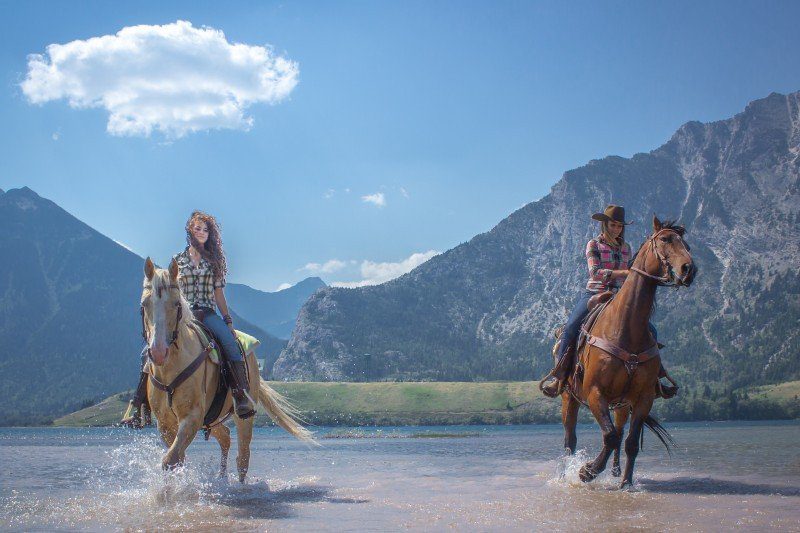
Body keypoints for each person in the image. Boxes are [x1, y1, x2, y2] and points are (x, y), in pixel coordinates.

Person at [121, 211, 255, 427]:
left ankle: (241, 397)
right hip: (184, 314)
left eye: (205, 229)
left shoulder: (215, 262)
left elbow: (218, 294)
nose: (202, 233)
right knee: (147, 352)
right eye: (197, 228)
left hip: (208, 313)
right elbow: (170, 292)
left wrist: (228, 320)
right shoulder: (178, 260)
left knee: (231, 344)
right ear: (190, 231)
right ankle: (138, 404)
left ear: (210, 234)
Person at [539, 205, 677, 399]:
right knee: (571, 327)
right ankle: (559, 376)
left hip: (619, 296)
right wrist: (627, 273)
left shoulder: (626, 248)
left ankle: (656, 378)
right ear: (605, 225)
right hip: (594, 293)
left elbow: (631, 277)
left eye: (620, 226)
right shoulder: (593, 245)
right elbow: (595, 272)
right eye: (613, 225)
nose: (617, 229)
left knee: (650, 330)